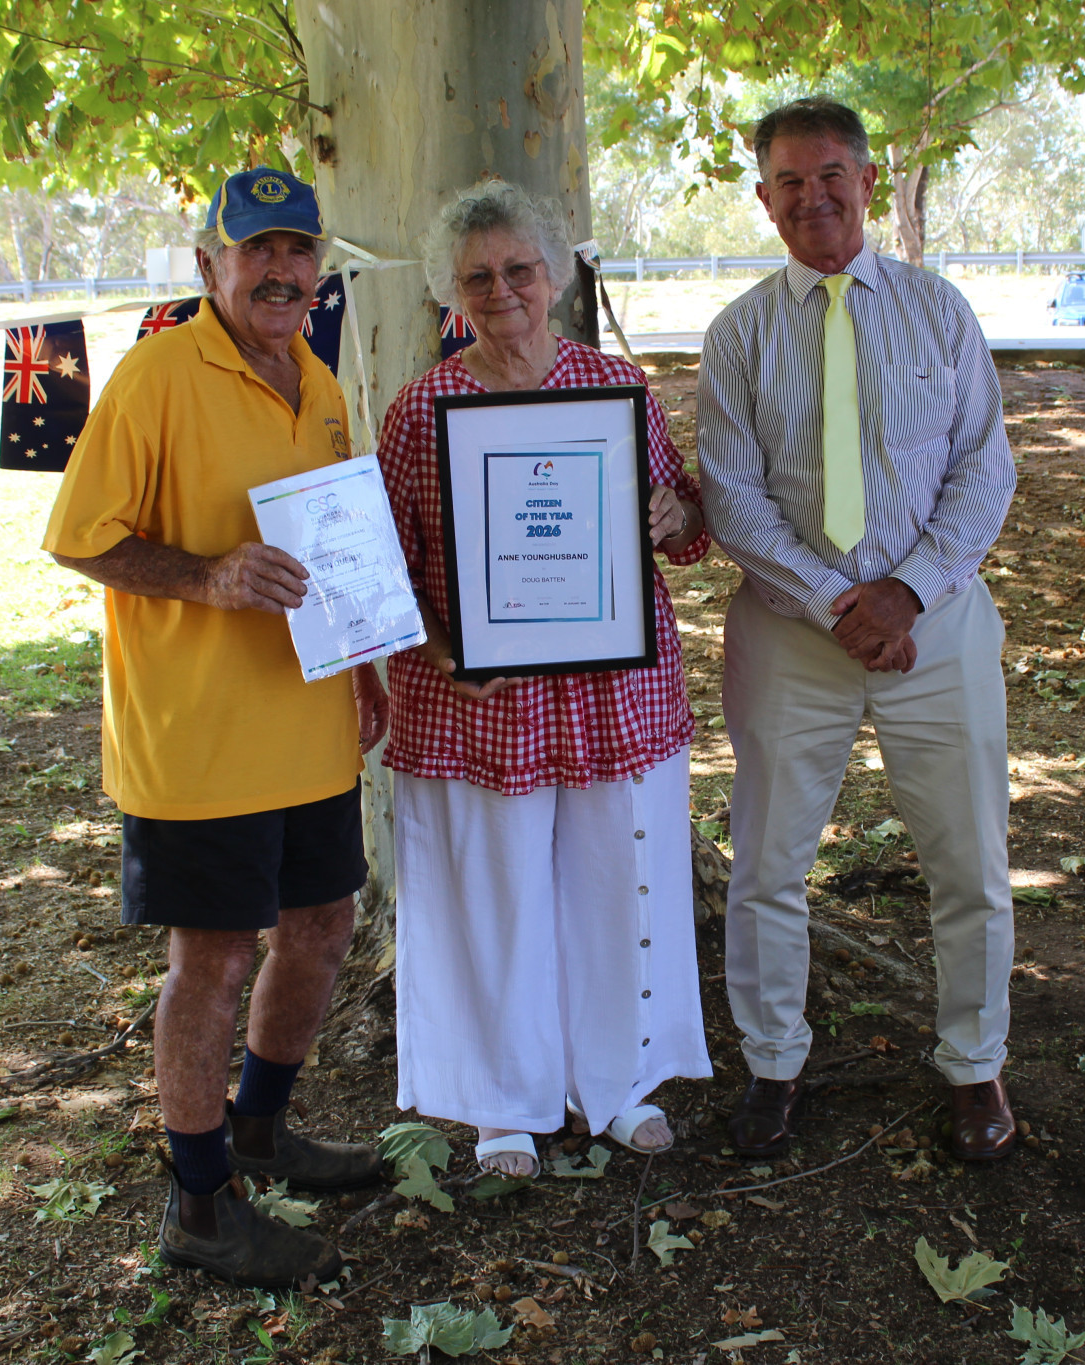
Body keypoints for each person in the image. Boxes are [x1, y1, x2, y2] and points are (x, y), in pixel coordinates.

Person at [44, 167, 388, 1286]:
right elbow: (82, 539)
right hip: (195, 739)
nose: (282, 272)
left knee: (325, 925)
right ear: (209, 266)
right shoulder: (155, 377)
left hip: (306, 720)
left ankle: (261, 1126)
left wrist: (365, 662)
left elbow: (336, 542)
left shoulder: (317, 379)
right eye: (258, 252)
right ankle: (198, 1204)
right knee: (213, 959)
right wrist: (205, 577)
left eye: (299, 252)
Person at [696, 98, 1021, 1163]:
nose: (811, 196)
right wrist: (837, 601)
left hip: (937, 633)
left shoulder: (938, 313)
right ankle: (773, 1064)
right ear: (761, 200)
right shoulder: (739, 334)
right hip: (794, 640)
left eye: (830, 173)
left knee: (967, 860)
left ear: (869, 183)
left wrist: (908, 591)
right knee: (766, 866)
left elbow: (983, 468)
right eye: (787, 181)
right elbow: (732, 501)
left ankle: (975, 1067)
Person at [376, 178, 713, 1178]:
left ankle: (618, 1085)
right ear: (451, 291)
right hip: (479, 704)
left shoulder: (617, 388)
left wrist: (668, 516)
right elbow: (382, 567)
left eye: (519, 268)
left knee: (622, 887)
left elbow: (690, 522)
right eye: (477, 276)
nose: (502, 289)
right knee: (496, 895)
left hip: (616, 697)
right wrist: (442, 649)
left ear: (555, 271)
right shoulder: (420, 406)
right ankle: (501, 1105)